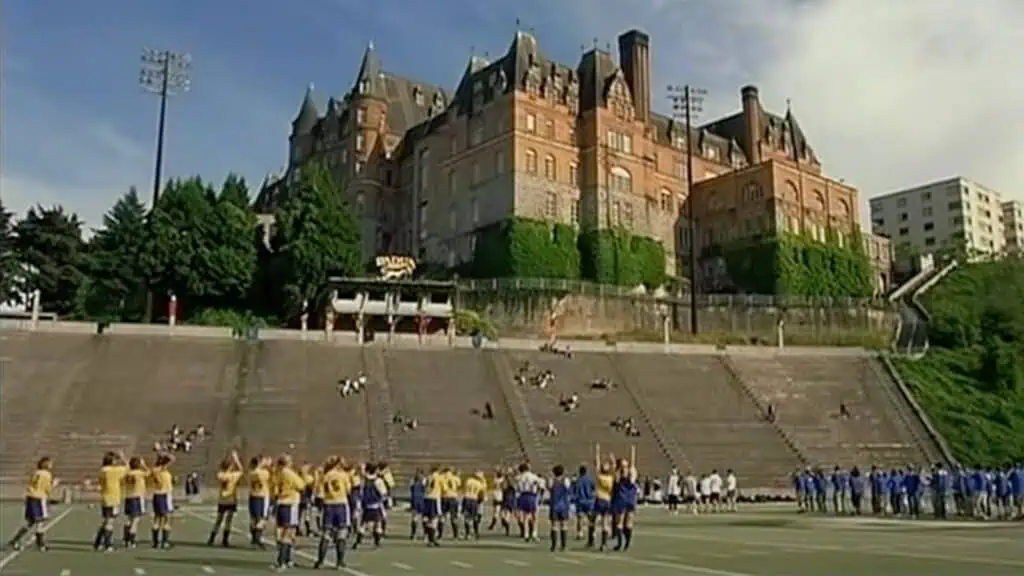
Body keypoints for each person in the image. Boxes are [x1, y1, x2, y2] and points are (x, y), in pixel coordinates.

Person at [7, 456, 54, 552]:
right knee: (40, 522)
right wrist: (54, 485)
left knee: (31, 521)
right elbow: (47, 488)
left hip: (31, 497)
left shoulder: (36, 472)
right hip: (39, 498)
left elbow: (32, 484)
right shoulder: (47, 474)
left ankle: (15, 540)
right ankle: (41, 545)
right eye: (50, 463)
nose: (51, 465)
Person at [313, 456, 351, 569]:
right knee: (342, 533)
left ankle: (320, 561)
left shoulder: (324, 476)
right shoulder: (343, 475)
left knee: (326, 533)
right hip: (340, 504)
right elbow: (348, 490)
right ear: (338, 464)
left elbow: (319, 492)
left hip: (328, 504)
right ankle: (340, 562)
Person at [271, 454, 305, 571]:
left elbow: (274, 489)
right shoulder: (289, 473)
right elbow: (301, 485)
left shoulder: (277, 473)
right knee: (288, 532)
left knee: (284, 533)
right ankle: (282, 561)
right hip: (290, 503)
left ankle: (287, 559)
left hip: (281, 503)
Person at [93, 451, 129, 552]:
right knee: (110, 522)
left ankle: (98, 541)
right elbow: (127, 468)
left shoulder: (102, 470)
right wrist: (123, 458)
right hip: (113, 498)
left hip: (105, 497)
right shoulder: (115, 470)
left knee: (106, 521)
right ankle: (108, 544)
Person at [208, 451, 243, 547]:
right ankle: (225, 540)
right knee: (228, 521)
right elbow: (241, 470)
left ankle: (211, 539)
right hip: (231, 500)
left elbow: (221, 470)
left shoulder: (220, 475)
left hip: (222, 500)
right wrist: (236, 459)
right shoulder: (233, 476)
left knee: (218, 520)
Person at [353, 464, 388, 549]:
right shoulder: (378, 480)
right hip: (376, 505)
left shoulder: (363, 480)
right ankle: (377, 542)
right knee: (378, 524)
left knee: (363, 524)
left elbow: (360, 492)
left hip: (366, 505)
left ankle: (357, 542)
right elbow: (383, 493)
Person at [150, 453, 176, 549]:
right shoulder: (161, 469)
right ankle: (164, 542)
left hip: (157, 495)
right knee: (166, 518)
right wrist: (165, 455)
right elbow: (172, 458)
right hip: (164, 495)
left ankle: (155, 542)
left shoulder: (155, 470)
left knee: (157, 519)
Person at [122, 457, 149, 548]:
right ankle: (131, 541)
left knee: (129, 519)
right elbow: (149, 472)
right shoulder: (140, 473)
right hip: (137, 497)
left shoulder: (127, 473)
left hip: (128, 497)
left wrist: (126, 464)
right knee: (135, 520)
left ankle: (126, 539)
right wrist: (144, 465)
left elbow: (126, 471)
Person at [612, 459, 638, 552]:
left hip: (621, 499)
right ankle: (627, 544)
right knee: (628, 523)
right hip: (630, 500)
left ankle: (620, 544)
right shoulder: (631, 476)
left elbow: (615, 479)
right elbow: (633, 470)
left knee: (620, 523)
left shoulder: (618, 476)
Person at [247, 456, 272, 549]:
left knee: (253, 518)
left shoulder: (251, 472)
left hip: (253, 496)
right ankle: (258, 538)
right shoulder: (264, 472)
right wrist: (268, 465)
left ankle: (254, 539)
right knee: (263, 518)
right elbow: (270, 477)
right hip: (262, 496)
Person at [516, 462, 545, 542]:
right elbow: (541, 485)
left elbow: (518, 488)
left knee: (525, 516)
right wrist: (540, 495)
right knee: (535, 516)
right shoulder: (533, 476)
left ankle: (526, 534)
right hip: (532, 496)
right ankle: (534, 534)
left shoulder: (519, 477)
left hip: (523, 496)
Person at [548, 465, 571, 552]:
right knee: (564, 525)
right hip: (564, 505)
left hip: (554, 505)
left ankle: (553, 546)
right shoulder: (565, 480)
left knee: (554, 525)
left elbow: (549, 488)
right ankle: (563, 545)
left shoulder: (552, 481)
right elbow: (568, 490)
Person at [594, 461, 615, 550]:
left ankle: (593, 536)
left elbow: (597, 467)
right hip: (607, 500)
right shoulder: (611, 478)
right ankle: (604, 544)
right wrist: (612, 461)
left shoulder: (600, 477)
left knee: (595, 520)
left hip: (600, 500)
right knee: (605, 523)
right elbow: (614, 469)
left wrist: (597, 452)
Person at [461, 471, 487, 540]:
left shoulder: (468, 480)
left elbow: (464, 488)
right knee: (475, 517)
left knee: (466, 517)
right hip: (474, 499)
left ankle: (467, 534)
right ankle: (476, 533)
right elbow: (482, 493)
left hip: (466, 499)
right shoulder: (480, 483)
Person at [573, 465, 595, 543]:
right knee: (590, 517)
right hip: (589, 501)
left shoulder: (578, 480)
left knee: (580, 517)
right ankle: (592, 532)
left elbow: (575, 490)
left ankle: (580, 533)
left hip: (580, 501)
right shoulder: (590, 479)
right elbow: (593, 488)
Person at [423, 465, 444, 546]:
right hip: (435, 498)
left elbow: (424, 486)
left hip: (426, 498)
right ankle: (432, 539)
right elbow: (444, 488)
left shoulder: (428, 477)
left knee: (428, 519)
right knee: (434, 519)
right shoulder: (439, 477)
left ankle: (429, 538)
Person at [440, 467, 461, 539]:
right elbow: (458, 486)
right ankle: (455, 535)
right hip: (453, 498)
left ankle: (440, 535)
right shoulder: (455, 477)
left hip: (444, 498)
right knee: (454, 517)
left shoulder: (441, 477)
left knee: (442, 516)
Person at [409, 470, 426, 540]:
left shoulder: (412, 480)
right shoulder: (423, 480)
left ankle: (413, 534)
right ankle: (424, 534)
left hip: (415, 500)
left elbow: (411, 489)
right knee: (423, 517)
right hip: (421, 500)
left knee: (415, 517)